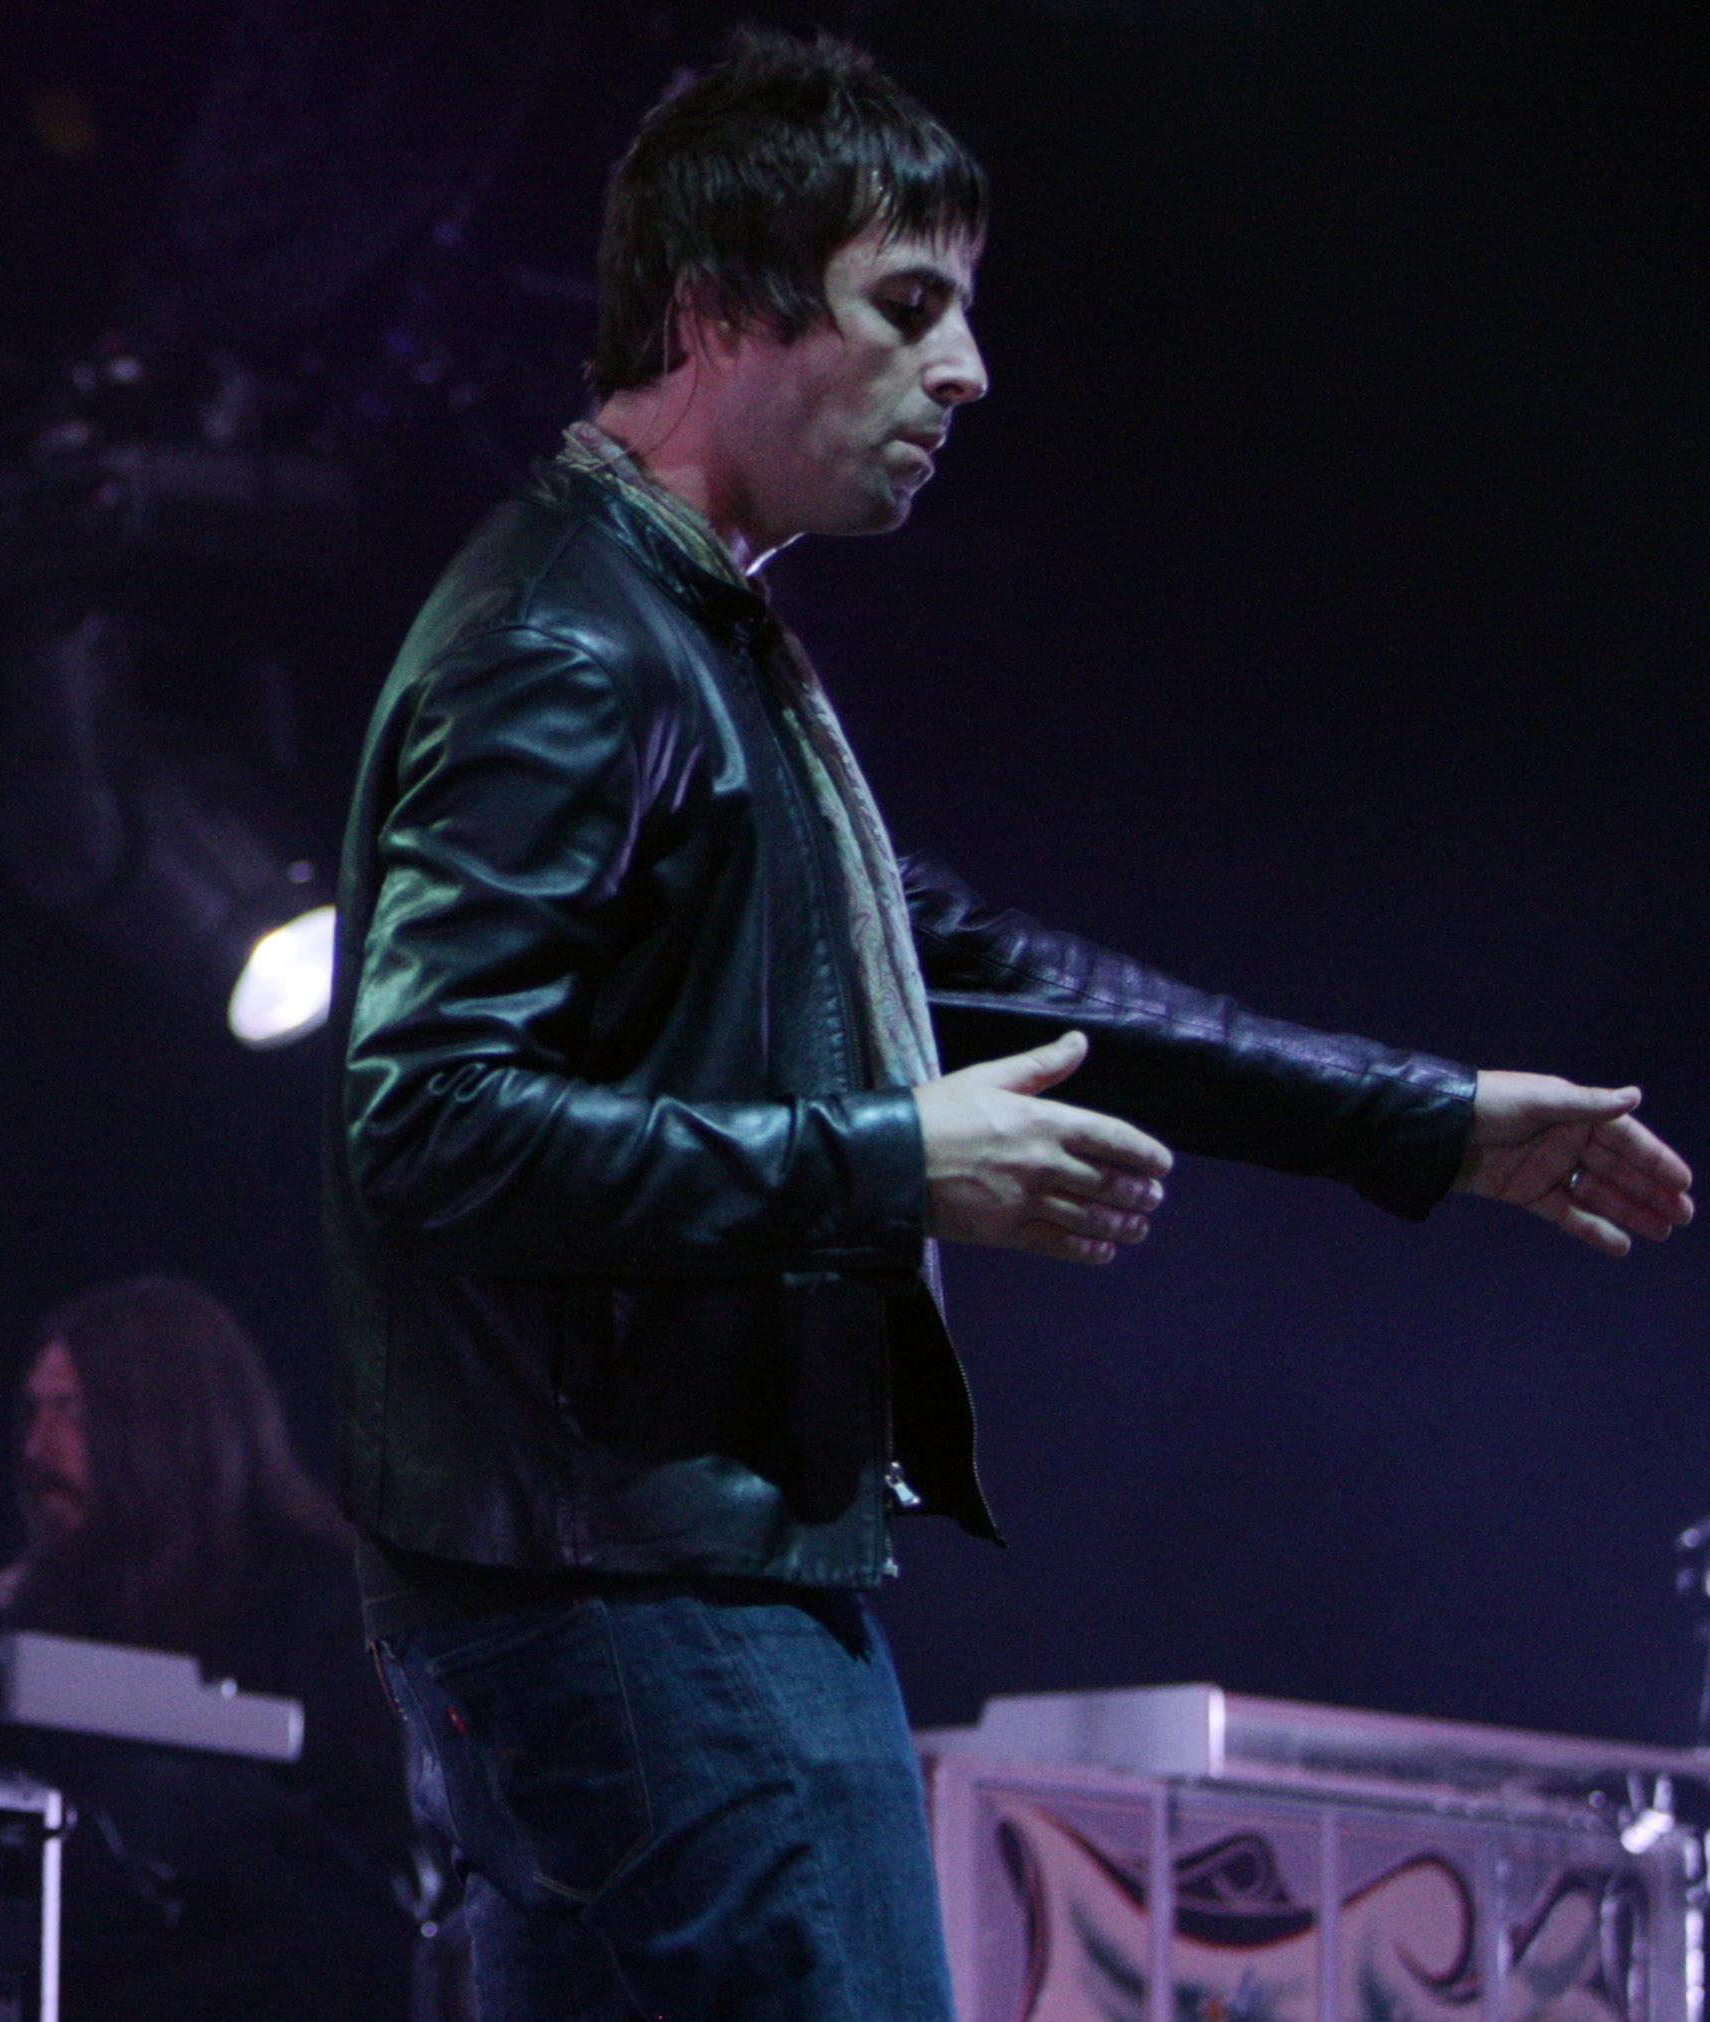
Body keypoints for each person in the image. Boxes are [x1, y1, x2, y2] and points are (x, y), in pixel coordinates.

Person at [322, 32, 1695, 2022]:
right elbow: (430, 1122)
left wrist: (1427, 1120)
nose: (963, 374)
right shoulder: (566, 635)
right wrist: (892, 1162)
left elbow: (985, 973)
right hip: (642, 1593)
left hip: (666, 1584)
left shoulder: (684, 631)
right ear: (716, 312)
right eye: (908, 310)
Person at [0, 1275, 420, 2021]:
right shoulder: (57, 1607)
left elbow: (370, 1869)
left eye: (73, 1412)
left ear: (166, 1424)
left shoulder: (325, 1597)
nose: (37, 1448)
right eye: (33, 1413)